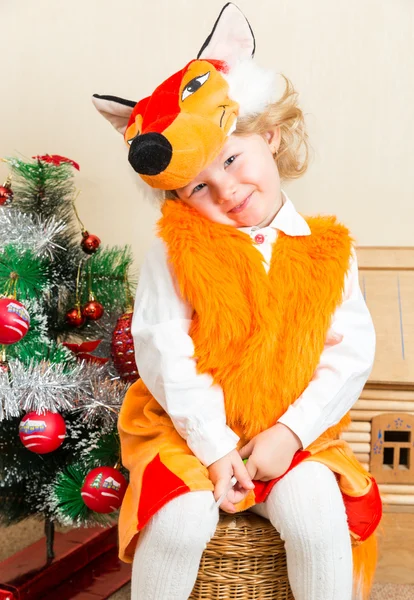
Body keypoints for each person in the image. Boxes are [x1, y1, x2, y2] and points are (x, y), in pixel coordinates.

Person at [92, 4, 382, 599]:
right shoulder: (174, 253)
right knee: (178, 521)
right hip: (186, 426)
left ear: (270, 136)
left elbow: (348, 356)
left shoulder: (328, 250)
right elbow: (163, 351)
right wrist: (217, 447)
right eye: (199, 184)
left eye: (232, 159)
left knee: (316, 517)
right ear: (178, 193)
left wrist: (290, 434)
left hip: (290, 427)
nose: (226, 191)